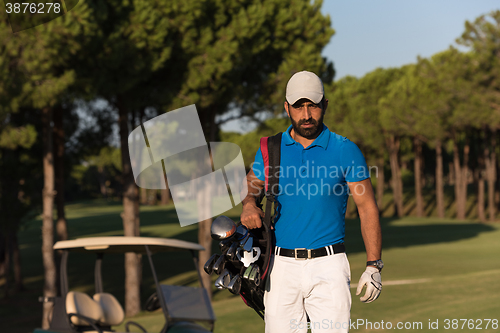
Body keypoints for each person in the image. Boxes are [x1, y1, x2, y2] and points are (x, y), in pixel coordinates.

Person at [240, 71, 383, 333]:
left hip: (329, 266)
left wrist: (374, 265)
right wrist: (249, 204)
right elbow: (251, 186)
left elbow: (367, 208)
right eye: (298, 106)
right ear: (287, 108)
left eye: (313, 105)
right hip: (281, 267)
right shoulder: (271, 149)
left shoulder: (345, 149)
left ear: (324, 105)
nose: (306, 114)